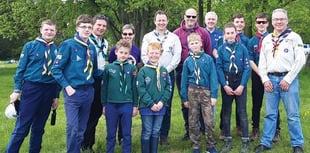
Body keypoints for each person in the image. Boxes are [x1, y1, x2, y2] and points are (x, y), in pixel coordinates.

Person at [254, 8, 305, 153]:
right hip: (271, 80)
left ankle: (297, 144)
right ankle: (266, 142)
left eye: (282, 19)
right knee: (270, 114)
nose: (279, 22)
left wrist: (288, 79)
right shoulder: (267, 39)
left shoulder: (294, 37)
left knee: (293, 115)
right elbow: (262, 62)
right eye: (276, 19)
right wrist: (264, 79)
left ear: (286, 20)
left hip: (288, 80)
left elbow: (300, 60)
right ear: (272, 22)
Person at [5, 19, 59, 153]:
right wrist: (17, 90)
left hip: (49, 90)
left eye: (52, 30)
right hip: (32, 89)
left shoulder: (57, 50)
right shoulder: (30, 46)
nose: (49, 32)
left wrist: (56, 96)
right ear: (41, 30)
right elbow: (20, 70)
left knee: (39, 127)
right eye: (46, 29)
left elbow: (58, 74)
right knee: (22, 126)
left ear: (55, 32)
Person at [52, 14, 101, 153]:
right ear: (77, 28)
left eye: (89, 27)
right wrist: (67, 87)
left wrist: (113, 70)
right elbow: (56, 69)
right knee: (73, 127)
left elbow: (95, 71)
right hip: (73, 91)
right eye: (83, 27)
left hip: (88, 92)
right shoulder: (68, 44)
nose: (87, 29)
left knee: (81, 128)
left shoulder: (91, 48)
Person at [141, 10, 181, 145]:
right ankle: (151, 133)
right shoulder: (147, 37)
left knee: (166, 104)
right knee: (151, 101)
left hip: (167, 73)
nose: (161, 22)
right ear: (155, 21)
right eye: (159, 20)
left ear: (167, 21)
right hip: (150, 73)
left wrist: (165, 70)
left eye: (164, 20)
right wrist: (154, 69)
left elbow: (177, 56)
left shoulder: (174, 37)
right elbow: (144, 55)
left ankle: (163, 135)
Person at [174, 8, 212, 141]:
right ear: (184, 16)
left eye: (193, 16)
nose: (190, 19)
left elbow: (208, 51)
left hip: (202, 72)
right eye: (188, 16)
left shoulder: (203, 32)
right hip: (183, 70)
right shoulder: (177, 34)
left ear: (196, 18)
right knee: (187, 102)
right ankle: (189, 129)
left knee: (203, 101)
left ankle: (203, 128)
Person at [180, 33, 218, 153]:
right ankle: (196, 144)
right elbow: (184, 80)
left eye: (196, 43)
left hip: (205, 91)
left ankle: (210, 144)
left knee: (209, 120)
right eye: (192, 43)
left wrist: (214, 95)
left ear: (201, 43)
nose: (194, 45)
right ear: (189, 46)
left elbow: (213, 77)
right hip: (192, 91)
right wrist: (184, 98)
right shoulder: (187, 61)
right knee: (193, 120)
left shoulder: (208, 59)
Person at [247, 13, 282, 141]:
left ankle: (276, 130)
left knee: (273, 104)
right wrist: (261, 74)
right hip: (257, 75)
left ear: (268, 24)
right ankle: (255, 129)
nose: (261, 24)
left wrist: (267, 74)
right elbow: (250, 59)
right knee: (256, 103)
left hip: (271, 75)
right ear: (256, 24)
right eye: (258, 22)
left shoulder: (275, 39)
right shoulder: (251, 41)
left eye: (263, 22)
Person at [216, 22, 250, 153]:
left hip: (240, 80)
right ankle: (227, 139)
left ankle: (246, 140)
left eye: (232, 33)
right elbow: (218, 67)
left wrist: (242, 85)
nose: (230, 35)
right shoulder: (221, 49)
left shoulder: (242, 48)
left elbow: (247, 68)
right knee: (226, 111)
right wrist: (224, 85)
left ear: (236, 33)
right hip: (227, 81)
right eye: (227, 33)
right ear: (224, 35)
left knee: (242, 111)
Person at [101, 39, 138, 153]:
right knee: (111, 133)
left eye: (126, 53)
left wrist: (135, 105)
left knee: (126, 133)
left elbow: (134, 88)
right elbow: (104, 87)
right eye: (121, 52)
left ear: (129, 54)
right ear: (116, 52)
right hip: (111, 104)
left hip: (126, 103)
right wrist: (104, 104)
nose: (123, 55)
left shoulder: (132, 68)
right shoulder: (109, 68)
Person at [109, 24, 141, 145]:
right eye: (125, 34)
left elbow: (137, 65)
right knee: (116, 111)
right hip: (116, 84)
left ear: (133, 35)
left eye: (130, 34)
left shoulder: (137, 50)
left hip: (129, 83)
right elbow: (112, 64)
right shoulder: (115, 49)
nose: (127, 36)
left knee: (126, 112)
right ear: (121, 35)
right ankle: (114, 136)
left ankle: (123, 137)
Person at [137, 42, 172, 153]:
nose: (154, 55)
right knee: (147, 131)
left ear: (160, 54)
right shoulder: (143, 71)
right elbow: (141, 89)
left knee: (156, 131)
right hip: (147, 107)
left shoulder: (164, 70)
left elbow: (168, 87)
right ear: (147, 54)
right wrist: (151, 104)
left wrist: (162, 102)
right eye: (151, 53)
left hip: (161, 106)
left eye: (156, 53)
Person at [81, 14, 109, 152]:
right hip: (88, 80)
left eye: (104, 25)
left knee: (96, 112)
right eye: (99, 25)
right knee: (87, 113)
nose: (101, 28)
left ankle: (89, 143)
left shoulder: (105, 43)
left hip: (100, 81)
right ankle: (84, 143)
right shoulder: (87, 41)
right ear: (93, 25)